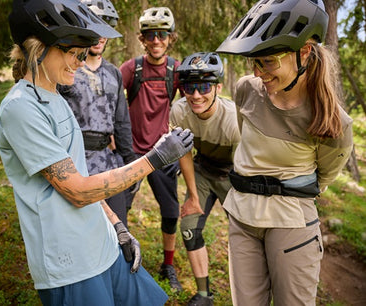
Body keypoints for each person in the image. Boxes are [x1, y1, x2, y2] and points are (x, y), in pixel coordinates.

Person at [0, 0, 194, 305]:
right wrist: (153, 159)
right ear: (40, 49)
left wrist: (116, 225)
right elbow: (76, 191)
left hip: (102, 244)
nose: (80, 61)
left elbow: (80, 171)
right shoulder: (22, 108)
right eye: (74, 53)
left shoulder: (54, 94)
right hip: (71, 263)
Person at [215, 0, 354, 305]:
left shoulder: (333, 122)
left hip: (291, 222)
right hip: (241, 216)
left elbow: (326, 173)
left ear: (304, 52)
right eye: (254, 61)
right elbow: (247, 139)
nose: (258, 72)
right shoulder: (245, 89)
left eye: (268, 61)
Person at [120, 7, 184, 291]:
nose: (156, 40)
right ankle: (118, 262)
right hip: (132, 153)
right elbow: (111, 100)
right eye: (150, 35)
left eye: (162, 34)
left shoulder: (177, 70)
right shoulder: (130, 68)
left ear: (170, 38)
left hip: (163, 154)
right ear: (142, 39)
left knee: (171, 213)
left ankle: (168, 264)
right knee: (120, 210)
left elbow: (189, 107)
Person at [170, 52, 241, 305]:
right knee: (189, 228)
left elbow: (246, 165)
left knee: (247, 236)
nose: (196, 95)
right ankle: (203, 294)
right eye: (190, 87)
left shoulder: (233, 120)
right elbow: (185, 154)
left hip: (236, 173)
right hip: (202, 168)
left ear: (218, 88)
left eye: (204, 86)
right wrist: (192, 196)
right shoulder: (179, 111)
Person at [57, 0, 136, 227]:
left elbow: (121, 121)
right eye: (94, 25)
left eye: (106, 27)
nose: (100, 36)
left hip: (109, 162)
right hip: (76, 164)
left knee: (119, 227)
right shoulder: (68, 69)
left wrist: (129, 162)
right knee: (83, 229)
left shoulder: (113, 73)